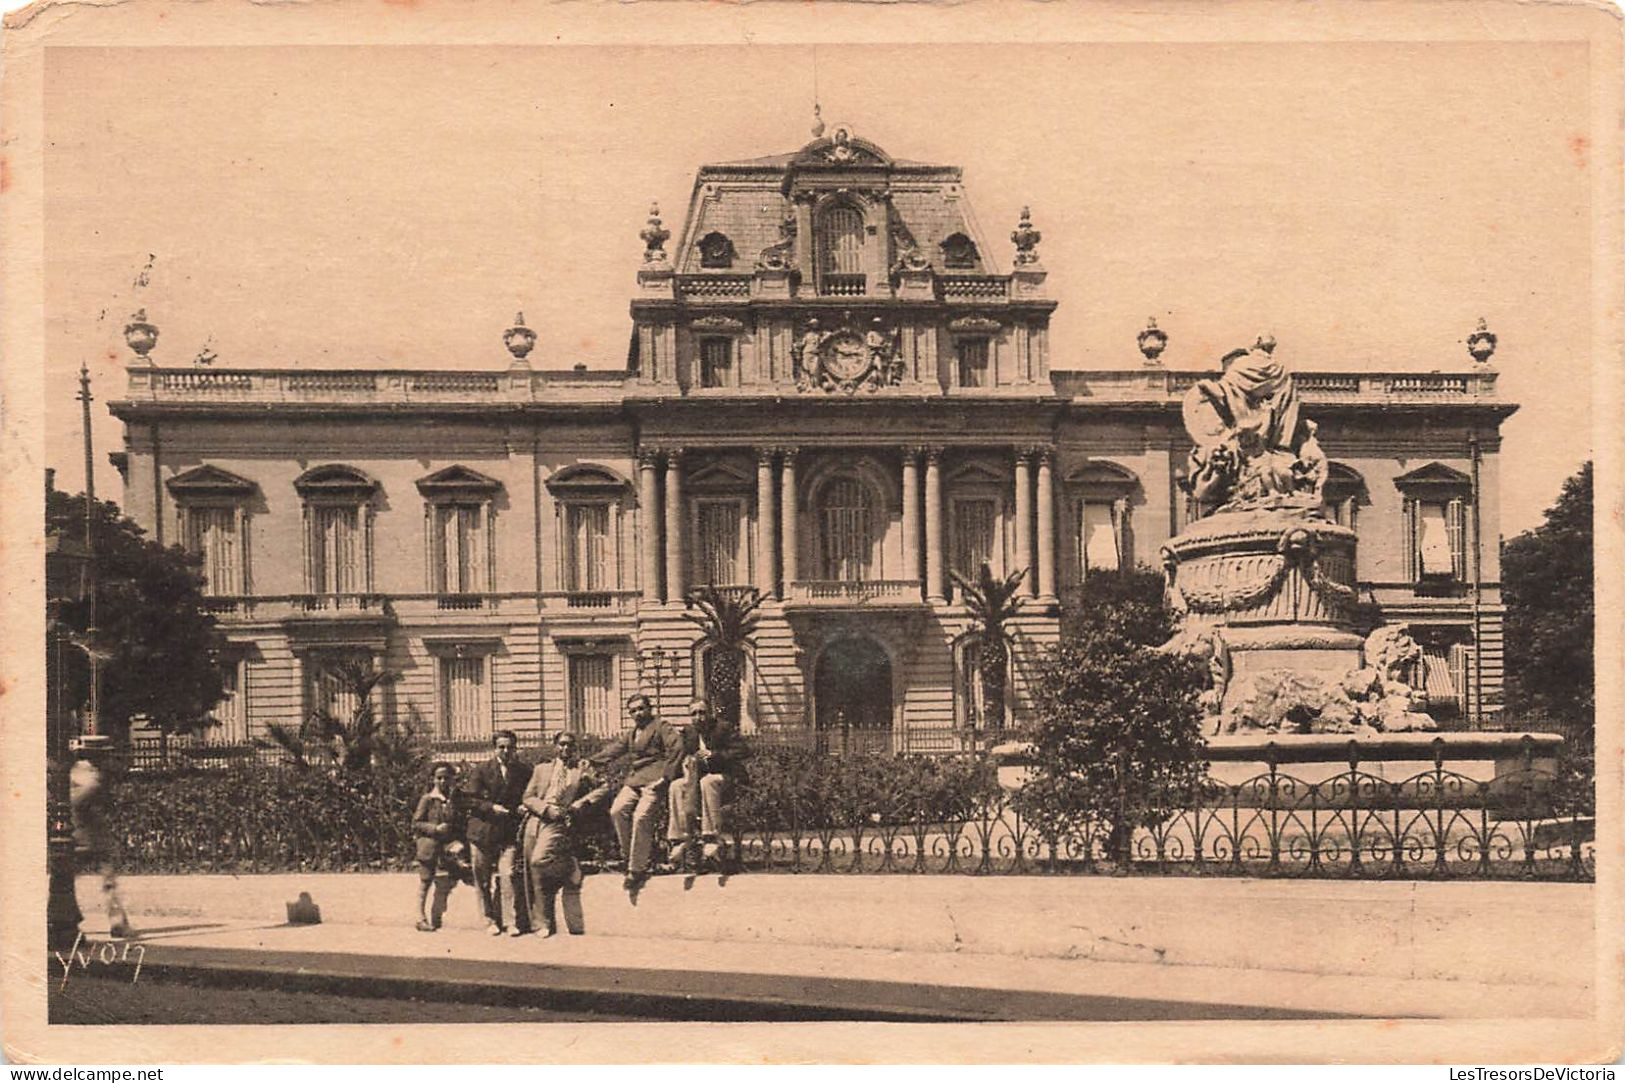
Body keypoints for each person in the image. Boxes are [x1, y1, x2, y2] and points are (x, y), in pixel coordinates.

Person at [591, 693, 685, 892]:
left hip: (655, 780)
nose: (638, 713)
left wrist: (666, 777)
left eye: (641, 708)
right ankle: (632, 859)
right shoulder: (633, 733)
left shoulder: (662, 726)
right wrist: (592, 761)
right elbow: (615, 749)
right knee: (617, 810)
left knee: (641, 816)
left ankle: (636, 869)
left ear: (649, 709)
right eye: (633, 711)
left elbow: (677, 748)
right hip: (635, 780)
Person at [519, 732, 609, 937]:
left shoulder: (581, 769)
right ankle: (541, 923)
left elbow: (604, 788)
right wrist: (543, 809)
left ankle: (567, 863)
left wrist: (580, 803)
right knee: (532, 872)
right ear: (555, 747)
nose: (566, 749)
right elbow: (528, 797)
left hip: (560, 821)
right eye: (562, 745)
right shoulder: (541, 769)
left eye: (570, 745)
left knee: (538, 860)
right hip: (537, 819)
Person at [460, 730, 533, 936]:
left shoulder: (523, 770)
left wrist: (523, 806)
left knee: (507, 875)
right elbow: (468, 799)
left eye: (510, 747)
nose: (506, 751)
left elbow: (530, 794)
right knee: (482, 879)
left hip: (508, 832)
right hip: (482, 831)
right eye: (501, 747)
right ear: (494, 748)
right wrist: (491, 807)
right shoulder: (481, 770)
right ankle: (488, 920)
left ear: (515, 748)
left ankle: (510, 922)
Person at [667, 700, 748, 871]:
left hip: (726, 777)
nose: (698, 717)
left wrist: (714, 755)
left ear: (709, 713)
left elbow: (743, 750)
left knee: (708, 781)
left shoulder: (723, 727)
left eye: (702, 712)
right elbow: (680, 755)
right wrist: (683, 765)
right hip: (698, 779)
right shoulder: (689, 732)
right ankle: (679, 839)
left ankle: (710, 836)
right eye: (694, 714)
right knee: (676, 785)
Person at [68, 735, 132, 938]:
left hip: (77, 835)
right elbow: (78, 802)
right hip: (90, 835)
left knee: (68, 879)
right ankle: (117, 922)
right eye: (104, 754)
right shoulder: (92, 777)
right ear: (96, 755)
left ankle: (117, 921)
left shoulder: (74, 772)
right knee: (108, 880)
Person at [410, 761, 464, 932]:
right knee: (425, 881)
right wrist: (434, 828)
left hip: (447, 846)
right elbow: (416, 823)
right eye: (439, 778)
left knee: (453, 877)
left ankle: (437, 917)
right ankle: (420, 918)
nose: (442, 782)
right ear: (433, 779)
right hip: (430, 846)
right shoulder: (428, 799)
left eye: (446, 778)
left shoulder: (453, 799)